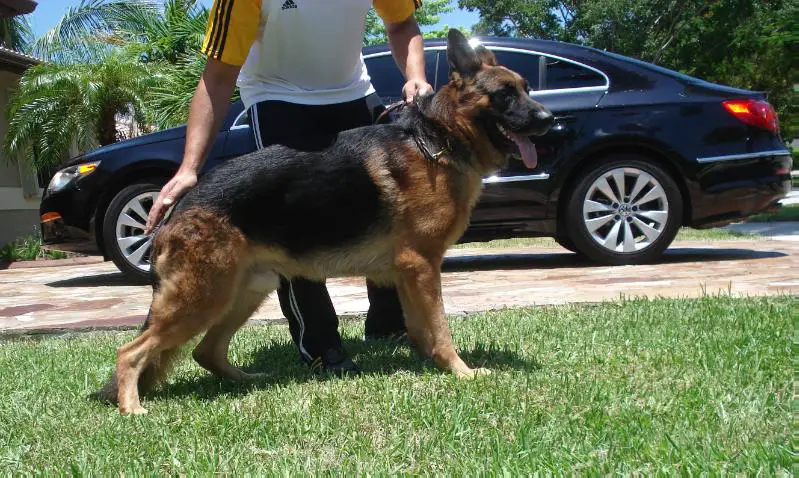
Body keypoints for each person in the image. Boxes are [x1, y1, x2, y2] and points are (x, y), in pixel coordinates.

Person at [145, 0, 433, 376]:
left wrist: (415, 74)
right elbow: (217, 76)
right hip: (278, 99)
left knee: (387, 211)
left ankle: (388, 324)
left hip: (353, 93)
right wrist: (189, 167)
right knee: (291, 230)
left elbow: (401, 24)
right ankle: (320, 344)